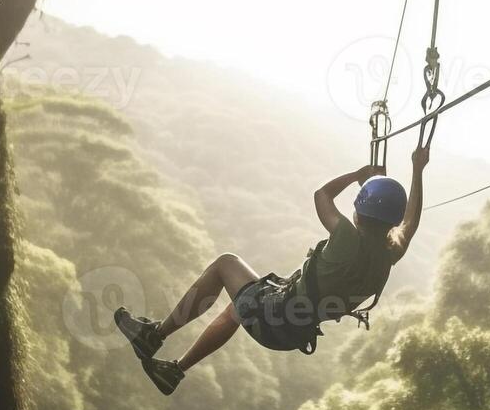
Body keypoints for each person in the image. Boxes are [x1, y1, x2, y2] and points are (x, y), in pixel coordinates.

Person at [114, 146, 430, 394]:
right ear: (390, 221)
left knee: (226, 264)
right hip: (292, 331)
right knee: (239, 305)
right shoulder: (389, 254)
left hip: (273, 314)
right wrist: (417, 170)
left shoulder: (347, 236)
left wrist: (357, 175)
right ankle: (175, 371)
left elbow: (321, 195)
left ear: (359, 212)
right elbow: (410, 223)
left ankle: (152, 336)